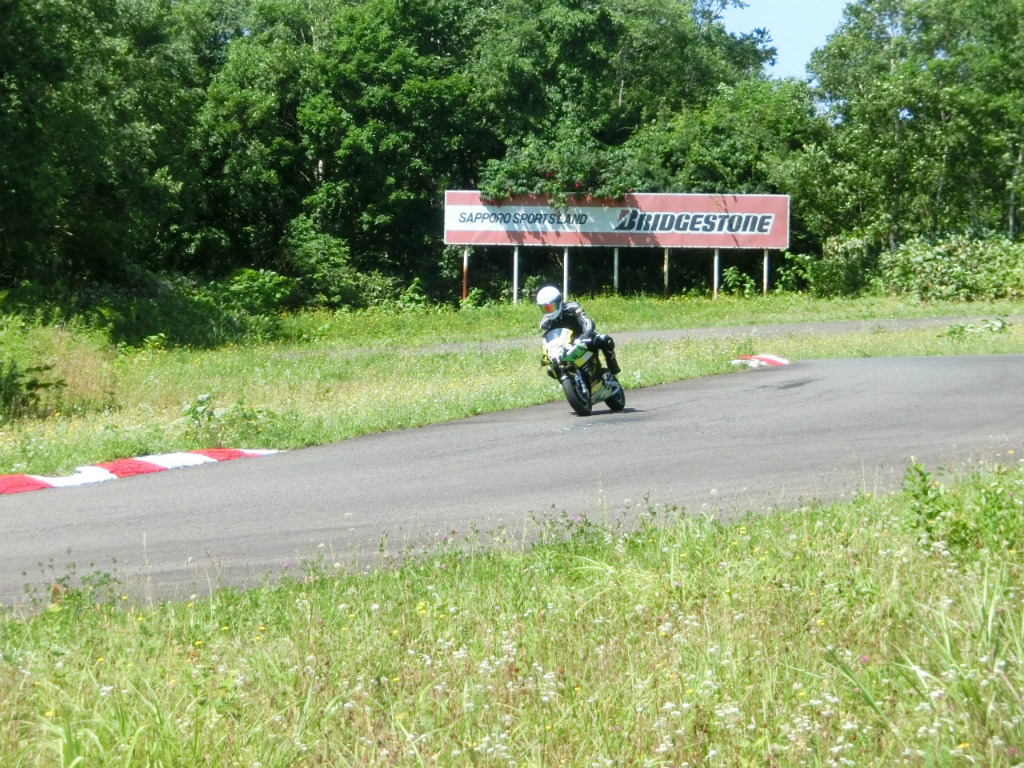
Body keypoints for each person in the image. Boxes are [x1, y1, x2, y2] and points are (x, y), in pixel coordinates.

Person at [536, 285, 620, 375]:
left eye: (551, 307)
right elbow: (547, 342)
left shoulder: (572, 307)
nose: (549, 311)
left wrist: (586, 334)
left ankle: (613, 370)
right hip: (565, 350)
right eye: (545, 308)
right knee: (551, 371)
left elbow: (586, 321)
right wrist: (546, 356)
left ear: (559, 302)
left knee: (605, 340)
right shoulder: (544, 323)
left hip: (583, 340)